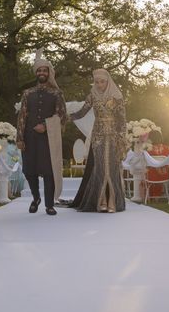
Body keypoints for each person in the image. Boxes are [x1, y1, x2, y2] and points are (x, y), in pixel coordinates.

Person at [16, 50, 67, 215]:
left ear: (49, 72)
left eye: (44, 70)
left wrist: (46, 125)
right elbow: (22, 116)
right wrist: (20, 138)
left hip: (48, 138)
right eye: (39, 70)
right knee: (29, 171)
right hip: (30, 138)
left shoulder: (56, 93)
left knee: (48, 171)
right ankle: (36, 197)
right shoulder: (27, 93)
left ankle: (49, 204)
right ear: (36, 73)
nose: (42, 73)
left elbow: (62, 115)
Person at [70, 69, 127, 213]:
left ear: (108, 81)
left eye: (102, 81)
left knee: (112, 167)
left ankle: (112, 201)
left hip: (113, 135)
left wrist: (122, 138)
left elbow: (121, 119)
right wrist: (65, 116)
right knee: (100, 166)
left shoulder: (117, 96)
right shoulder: (92, 96)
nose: (100, 85)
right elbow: (82, 112)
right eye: (97, 82)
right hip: (98, 135)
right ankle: (101, 200)